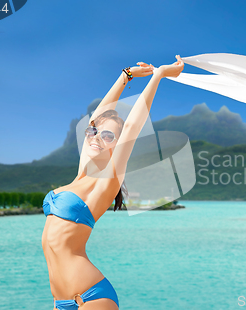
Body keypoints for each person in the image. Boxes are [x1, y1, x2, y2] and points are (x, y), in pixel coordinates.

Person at [41, 55, 185, 310]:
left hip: (90, 297)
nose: (96, 137)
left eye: (108, 136)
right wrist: (125, 76)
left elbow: (131, 126)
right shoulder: (81, 174)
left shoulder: (106, 180)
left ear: (118, 145)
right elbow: (98, 116)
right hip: (61, 301)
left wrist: (158, 76)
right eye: (93, 132)